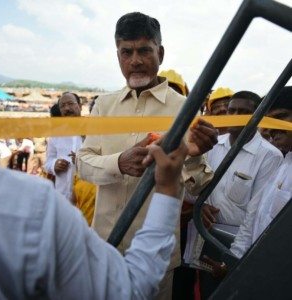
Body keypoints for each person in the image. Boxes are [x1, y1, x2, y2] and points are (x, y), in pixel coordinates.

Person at [77, 12, 217, 299]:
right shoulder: (103, 105)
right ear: (117, 55)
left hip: (156, 256)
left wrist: (192, 156)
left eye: (144, 50)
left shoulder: (185, 108)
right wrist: (119, 162)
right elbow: (83, 163)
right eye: (126, 52)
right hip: (103, 246)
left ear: (160, 53)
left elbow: (199, 185)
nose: (135, 61)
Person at [0, 141, 192, 299]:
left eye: (72, 104)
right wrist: (166, 189)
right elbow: (126, 291)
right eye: (64, 105)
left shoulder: (24, 204)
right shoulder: (32, 205)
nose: (69, 109)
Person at [203, 86, 292, 278]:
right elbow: (258, 220)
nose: (271, 127)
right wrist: (233, 262)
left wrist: (233, 261)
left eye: (281, 117)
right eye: (232, 111)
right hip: (246, 257)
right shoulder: (286, 164)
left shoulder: (272, 157)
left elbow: (254, 218)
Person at [202, 91, 283, 228]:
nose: (235, 116)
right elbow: (194, 189)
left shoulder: (270, 156)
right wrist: (200, 206)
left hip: (235, 239)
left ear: (258, 117)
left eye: (243, 112)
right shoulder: (212, 144)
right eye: (231, 111)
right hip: (201, 230)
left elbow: (258, 213)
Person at [44, 92, 82, 202]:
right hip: (62, 197)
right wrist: (54, 165)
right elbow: (48, 162)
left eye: (70, 104)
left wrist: (82, 160)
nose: (67, 108)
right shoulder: (56, 134)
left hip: (86, 198)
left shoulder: (93, 131)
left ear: (80, 106)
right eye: (63, 106)